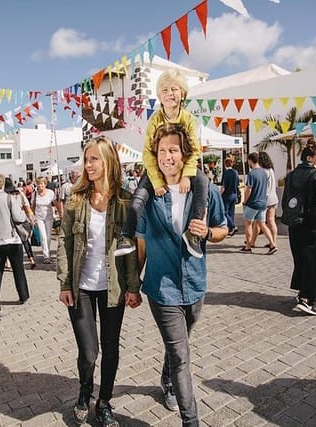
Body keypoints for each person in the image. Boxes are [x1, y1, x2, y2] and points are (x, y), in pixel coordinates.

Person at [136, 124, 228, 426]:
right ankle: (192, 421)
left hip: (195, 284)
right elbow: (141, 242)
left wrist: (209, 232)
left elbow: (223, 230)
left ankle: (167, 378)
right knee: (181, 355)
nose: (167, 156)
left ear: (185, 154)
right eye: (161, 151)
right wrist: (132, 283)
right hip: (161, 289)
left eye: (173, 150)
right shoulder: (149, 193)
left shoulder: (206, 190)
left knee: (180, 343)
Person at [57, 136, 142, 427]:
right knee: (89, 352)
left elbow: (129, 248)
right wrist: (65, 283)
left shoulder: (124, 201)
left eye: (94, 159)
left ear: (108, 162)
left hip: (113, 287)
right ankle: (84, 390)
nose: (88, 164)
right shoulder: (75, 198)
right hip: (80, 286)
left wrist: (133, 287)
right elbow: (64, 242)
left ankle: (104, 401)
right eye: (86, 159)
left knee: (111, 347)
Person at [116, 69, 209, 259]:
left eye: (174, 89)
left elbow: (193, 150)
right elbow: (148, 153)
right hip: (156, 168)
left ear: (183, 93)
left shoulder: (188, 119)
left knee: (203, 182)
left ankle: (194, 234)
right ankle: (126, 235)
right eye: (165, 90)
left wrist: (186, 175)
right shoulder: (155, 119)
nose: (170, 93)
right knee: (139, 195)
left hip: (183, 167)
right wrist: (157, 181)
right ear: (159, 95)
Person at [283, 146, 316, 316]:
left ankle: (302, 292)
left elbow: (285, 200)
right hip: (314, 224)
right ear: (309, 158)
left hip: (295, 224)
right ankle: (307, 299)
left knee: (301, 259)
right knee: (314, 262)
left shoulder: (291, 175)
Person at [0, 173, 30, 319]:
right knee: (18, 269)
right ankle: (23, 295)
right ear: (2, 184)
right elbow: (19, 217)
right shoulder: (10, 198)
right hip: (12, 240)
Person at [241, 152, 277, 254]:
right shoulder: (264, 173)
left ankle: (248, 246)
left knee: (248, 223)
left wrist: (245, 201)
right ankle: (273, 244)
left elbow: (249, 189)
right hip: (263, 202)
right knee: (262, 224)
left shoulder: (252, 173)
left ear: (250, 161)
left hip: (253, 202)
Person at [4, 177, 36, 269]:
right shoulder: (19, 193)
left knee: (9, 242)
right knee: (25, 240)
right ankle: (31, 259)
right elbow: (26, 206)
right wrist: (31, 219)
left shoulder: (4, 196)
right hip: (20, 219)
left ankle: (9, 262)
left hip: (8, 220)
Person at [252, 151, 278, 248]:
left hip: (264, 198)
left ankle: (252, 242)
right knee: (271, 221)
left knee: (258, 222)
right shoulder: (271, 170)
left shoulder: (262, 171)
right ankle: (274, 241)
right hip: (273, 197)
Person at [32, 176, 56, 264]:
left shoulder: (50, 193)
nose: (39, 186)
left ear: (45, 184)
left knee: (49, 237)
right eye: (38, 184)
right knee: (43, 236)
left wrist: (61, 213)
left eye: (41, 184)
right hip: (39, 217)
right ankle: (46, 256)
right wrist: (32, 218)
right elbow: (33, 206)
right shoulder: (34, 193)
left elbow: (55, 203)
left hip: (49, 217)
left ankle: (48, 252)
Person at [219, 157, 239, 237]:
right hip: (234, 194)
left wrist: (219, 194)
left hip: (227, 195)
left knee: (224, 212)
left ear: (225, 164)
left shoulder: (226, 173)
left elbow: (223, 186)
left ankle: (232, 226)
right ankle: (231, 229)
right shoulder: (235, 172)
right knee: (231, 212)